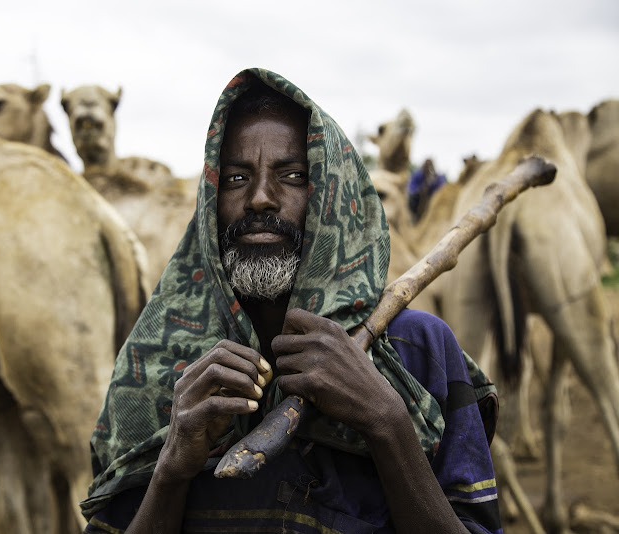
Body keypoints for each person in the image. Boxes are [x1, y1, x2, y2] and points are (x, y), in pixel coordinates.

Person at [81, 69, 501, 533]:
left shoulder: (416, 352)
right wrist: (172, 466)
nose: (260, 198)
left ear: (333, 198)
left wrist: (387, 421)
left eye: (293, 176)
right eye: (237, 177)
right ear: (210, 202)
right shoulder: (159, 363)